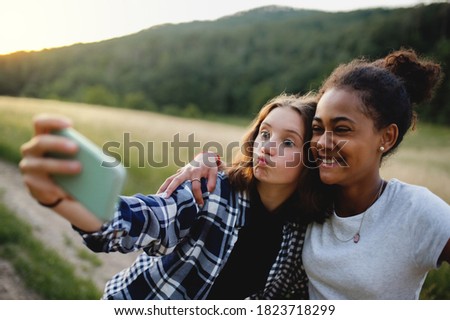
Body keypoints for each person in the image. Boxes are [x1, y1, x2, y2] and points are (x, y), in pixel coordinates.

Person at [159, 48, 450, 299]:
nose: (322, 142)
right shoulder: (309, 205)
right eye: (318, 128)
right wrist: (206, 160)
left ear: (386, 138)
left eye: (342, 129)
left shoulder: (414, 210)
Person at [19, 93, 331, 299]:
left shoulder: (304, 234)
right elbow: (148, 220)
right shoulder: (213, 189)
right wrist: (69, 202)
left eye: (288, 142)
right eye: (265, 133)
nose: (268, 147)